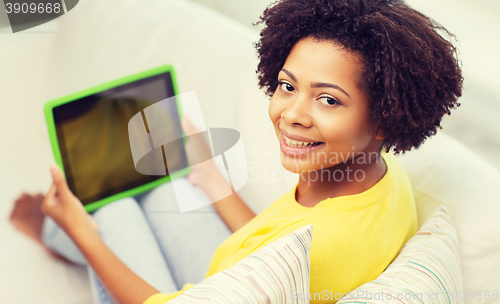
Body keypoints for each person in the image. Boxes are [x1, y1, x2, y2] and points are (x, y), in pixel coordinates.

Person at [9, 0, 463, 303]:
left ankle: (60, 233)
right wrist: (213, 178)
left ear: (385, 116)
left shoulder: (327, 242)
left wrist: (82, 233)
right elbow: (273, 243)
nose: (292, 115)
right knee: (169, 192)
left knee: (109, 215)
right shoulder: (376, 174)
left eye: (328, 99)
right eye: (287, 86)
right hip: (244, 279)